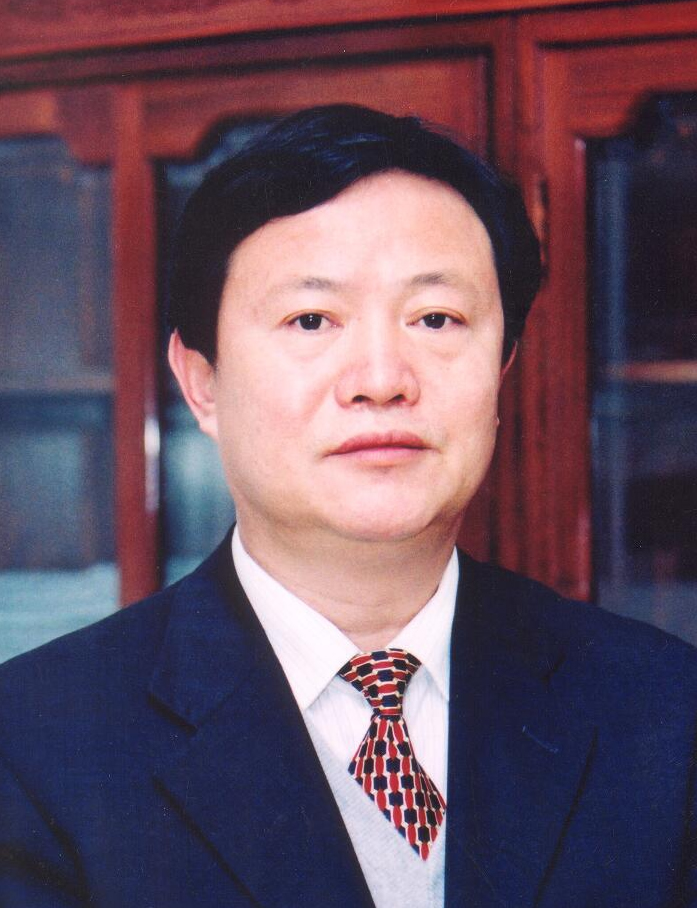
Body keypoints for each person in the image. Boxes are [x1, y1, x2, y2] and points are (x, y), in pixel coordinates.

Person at [0, 104, 695, 908]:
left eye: (435, 318)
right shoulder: (36, 742)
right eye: (311, 320)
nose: (381, 379)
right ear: (202, 382)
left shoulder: (662, 710)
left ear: (501, 369)